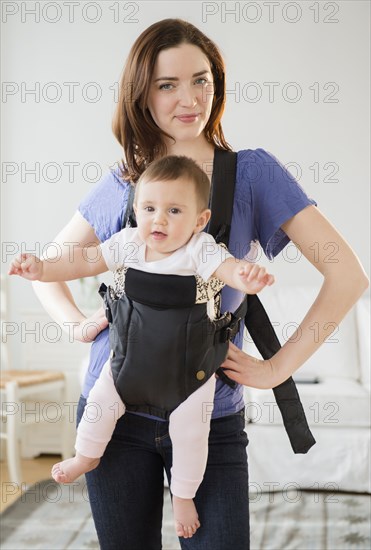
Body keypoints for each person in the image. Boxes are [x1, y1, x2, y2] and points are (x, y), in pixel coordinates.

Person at [27, 18, 368, 550]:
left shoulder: (253, 174)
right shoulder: (126, 182)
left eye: (202, 80)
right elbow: (50, 269)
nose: (190, 98)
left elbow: (348, 274)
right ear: (142, 94)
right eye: (168, 85)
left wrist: (276, 368)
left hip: (210, 412)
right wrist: (78, 326)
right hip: (113, 410)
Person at [9, 155, 275, 538]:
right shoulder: (128, 244)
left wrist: (247, 276)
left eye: (174, 210)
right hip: (127, 370)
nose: (159, 220)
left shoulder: (201, 249)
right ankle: (86, 456)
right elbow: (83, 262)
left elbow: (230, 269)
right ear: (136, 210)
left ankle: (183, 496)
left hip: (190, 376)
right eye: (149, 208)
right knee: (101, 404)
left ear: (200, 220)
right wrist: (43, 269)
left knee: (191, 432)